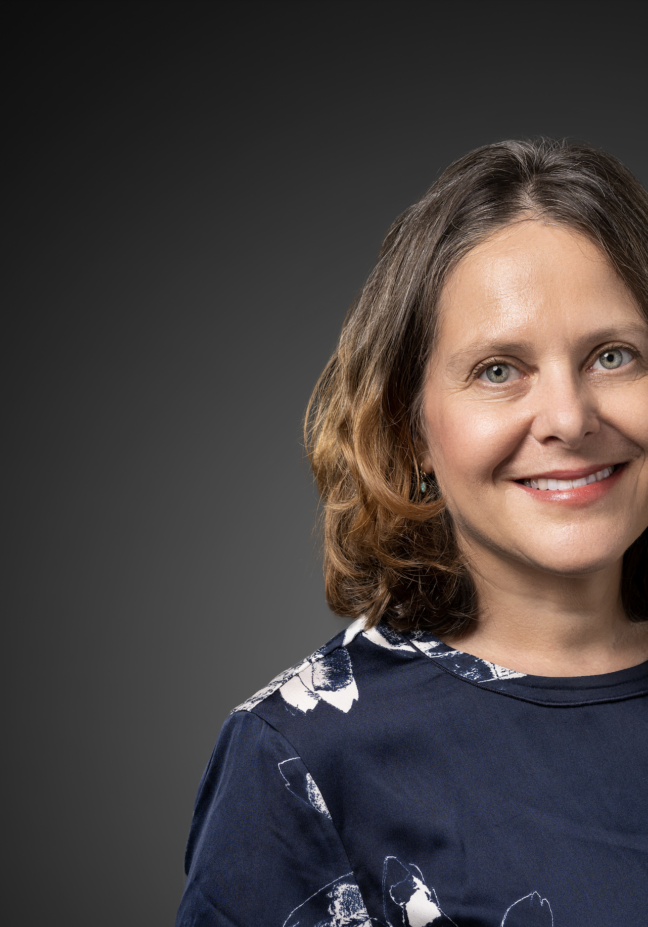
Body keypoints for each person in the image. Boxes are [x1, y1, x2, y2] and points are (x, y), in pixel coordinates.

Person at [175, 139, 648, 927]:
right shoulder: (302, 757)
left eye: (613, 355)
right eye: (498, 369)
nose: (569, 418)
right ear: (410, 429)